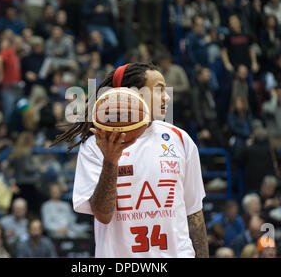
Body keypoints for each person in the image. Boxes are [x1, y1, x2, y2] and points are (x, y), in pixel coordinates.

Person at [54, 62, 208, 258]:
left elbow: (194, 213)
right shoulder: (96, 145)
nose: (167, 96)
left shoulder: (180, 139)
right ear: (134, 94)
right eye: (159, 90)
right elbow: (103, 214)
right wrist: (110, 161)